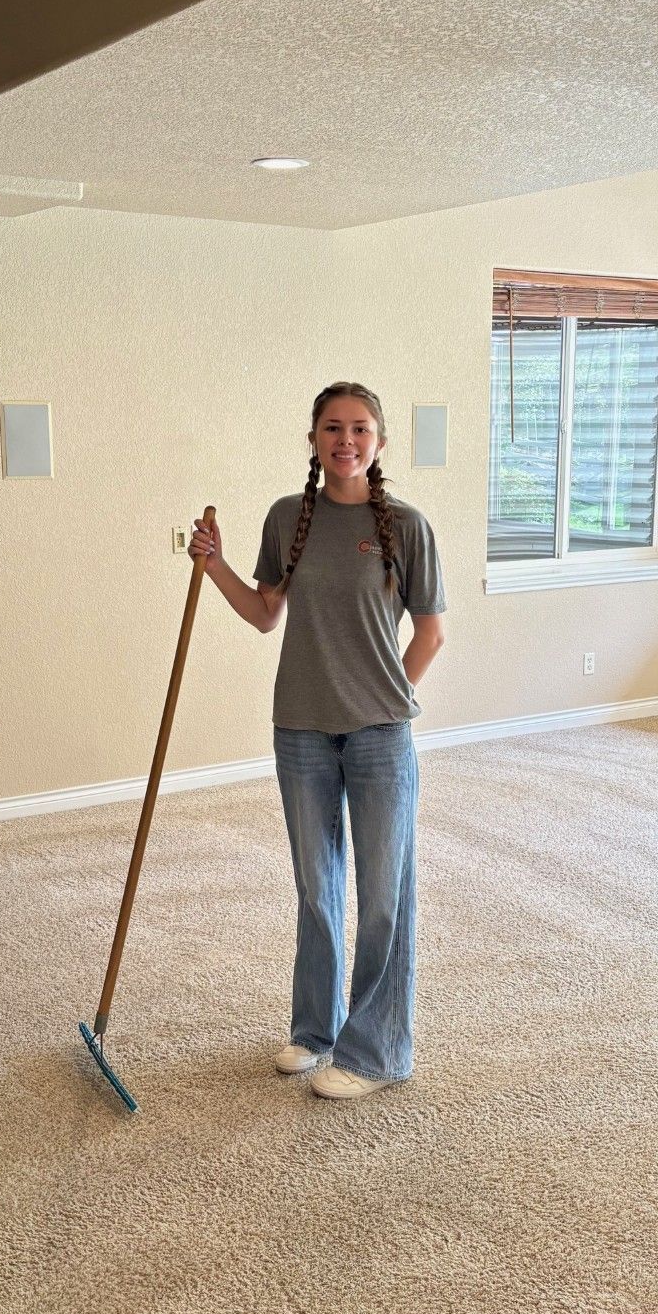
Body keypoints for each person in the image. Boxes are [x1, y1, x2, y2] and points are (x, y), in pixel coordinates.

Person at [190, 381, 446, 1099]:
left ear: (380, 442)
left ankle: (376, 1052)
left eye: (360, 428)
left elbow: (431, 633)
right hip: (301, 727)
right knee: (316, 885)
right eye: (333, 428)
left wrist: (388, 695)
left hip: (378, 736)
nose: (346, 440)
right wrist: (214, 566)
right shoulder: (288, 518)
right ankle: (316, 1030)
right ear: (313, 439)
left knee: (384, 897)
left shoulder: (406, 527)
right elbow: (265, 613)